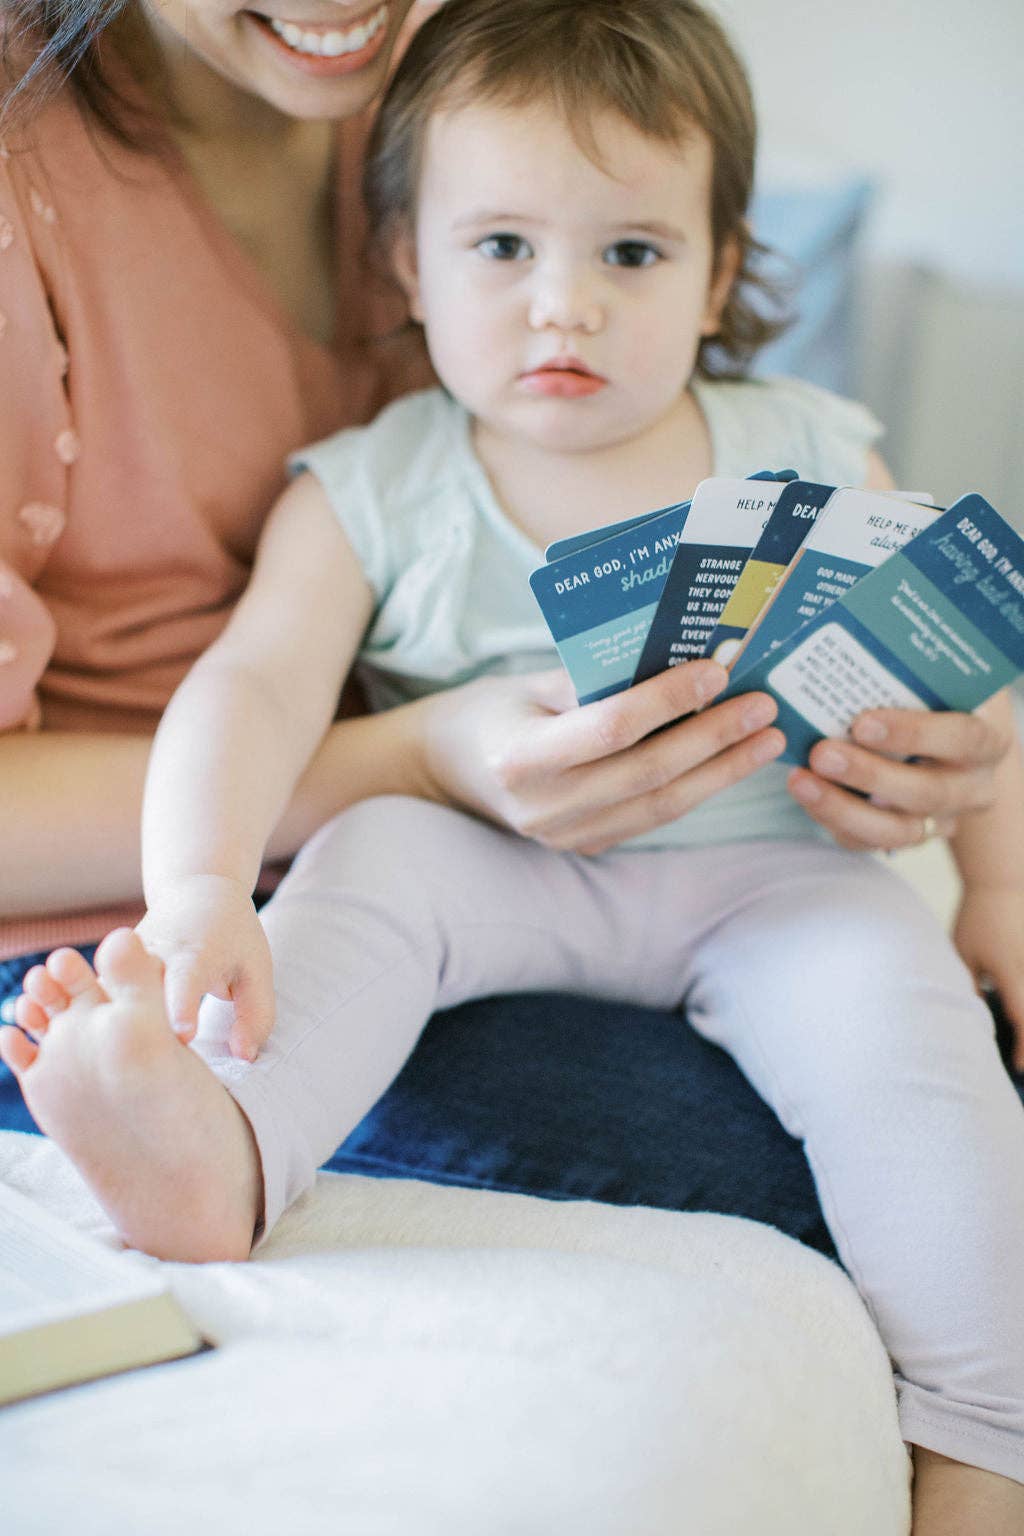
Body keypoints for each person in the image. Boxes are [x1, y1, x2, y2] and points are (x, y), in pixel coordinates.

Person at [6, 1, 1024, 1527]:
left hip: (774, 874)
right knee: (362, 886)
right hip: (482, 860)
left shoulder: (810, 442)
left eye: (630, 253)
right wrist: (200, 887)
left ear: (720, 269)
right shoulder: (373, 485)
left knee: (931, 1082)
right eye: (501, 252)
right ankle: (217, 1145)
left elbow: (963, 678)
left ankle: (980, 1448)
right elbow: (254, 688)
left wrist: (994, 884)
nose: (565, 308)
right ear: (404, 264)